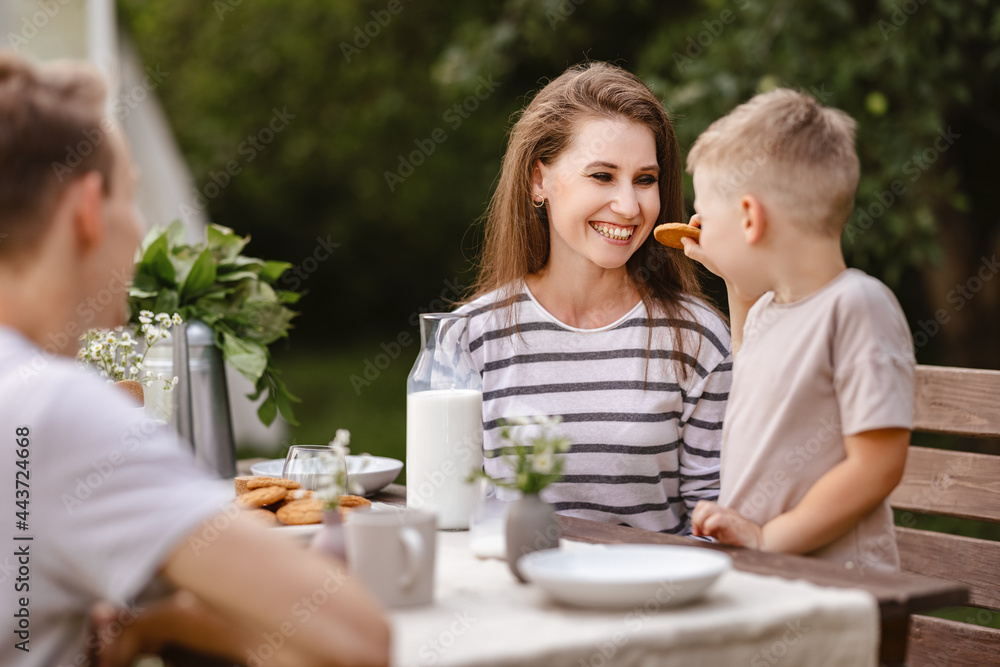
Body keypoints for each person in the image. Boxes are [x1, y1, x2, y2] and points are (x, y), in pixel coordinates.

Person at [0, 52, 389, 666]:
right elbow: (357, 638)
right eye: (132, 201)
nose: (141, 233)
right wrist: (163, 623)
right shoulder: (49, 409)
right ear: (86, 210)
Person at [455, 62, 732, 535]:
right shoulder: (470, 335)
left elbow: (715, 522)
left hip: (655, 601)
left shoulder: (698, 337)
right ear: (537, 181)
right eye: (603, 176)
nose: (629, 206)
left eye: (645, 180)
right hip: (513, 597)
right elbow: (453, 512)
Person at [685, 88, 915, 572]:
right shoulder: (771, 308)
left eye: (704, 217)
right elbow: (751, 358)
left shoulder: (857, 305)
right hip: (766, 576)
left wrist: (768, 539)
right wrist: (730, 273)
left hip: (837, 591)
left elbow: (877, 466)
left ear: (749, 217)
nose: (697, 229)